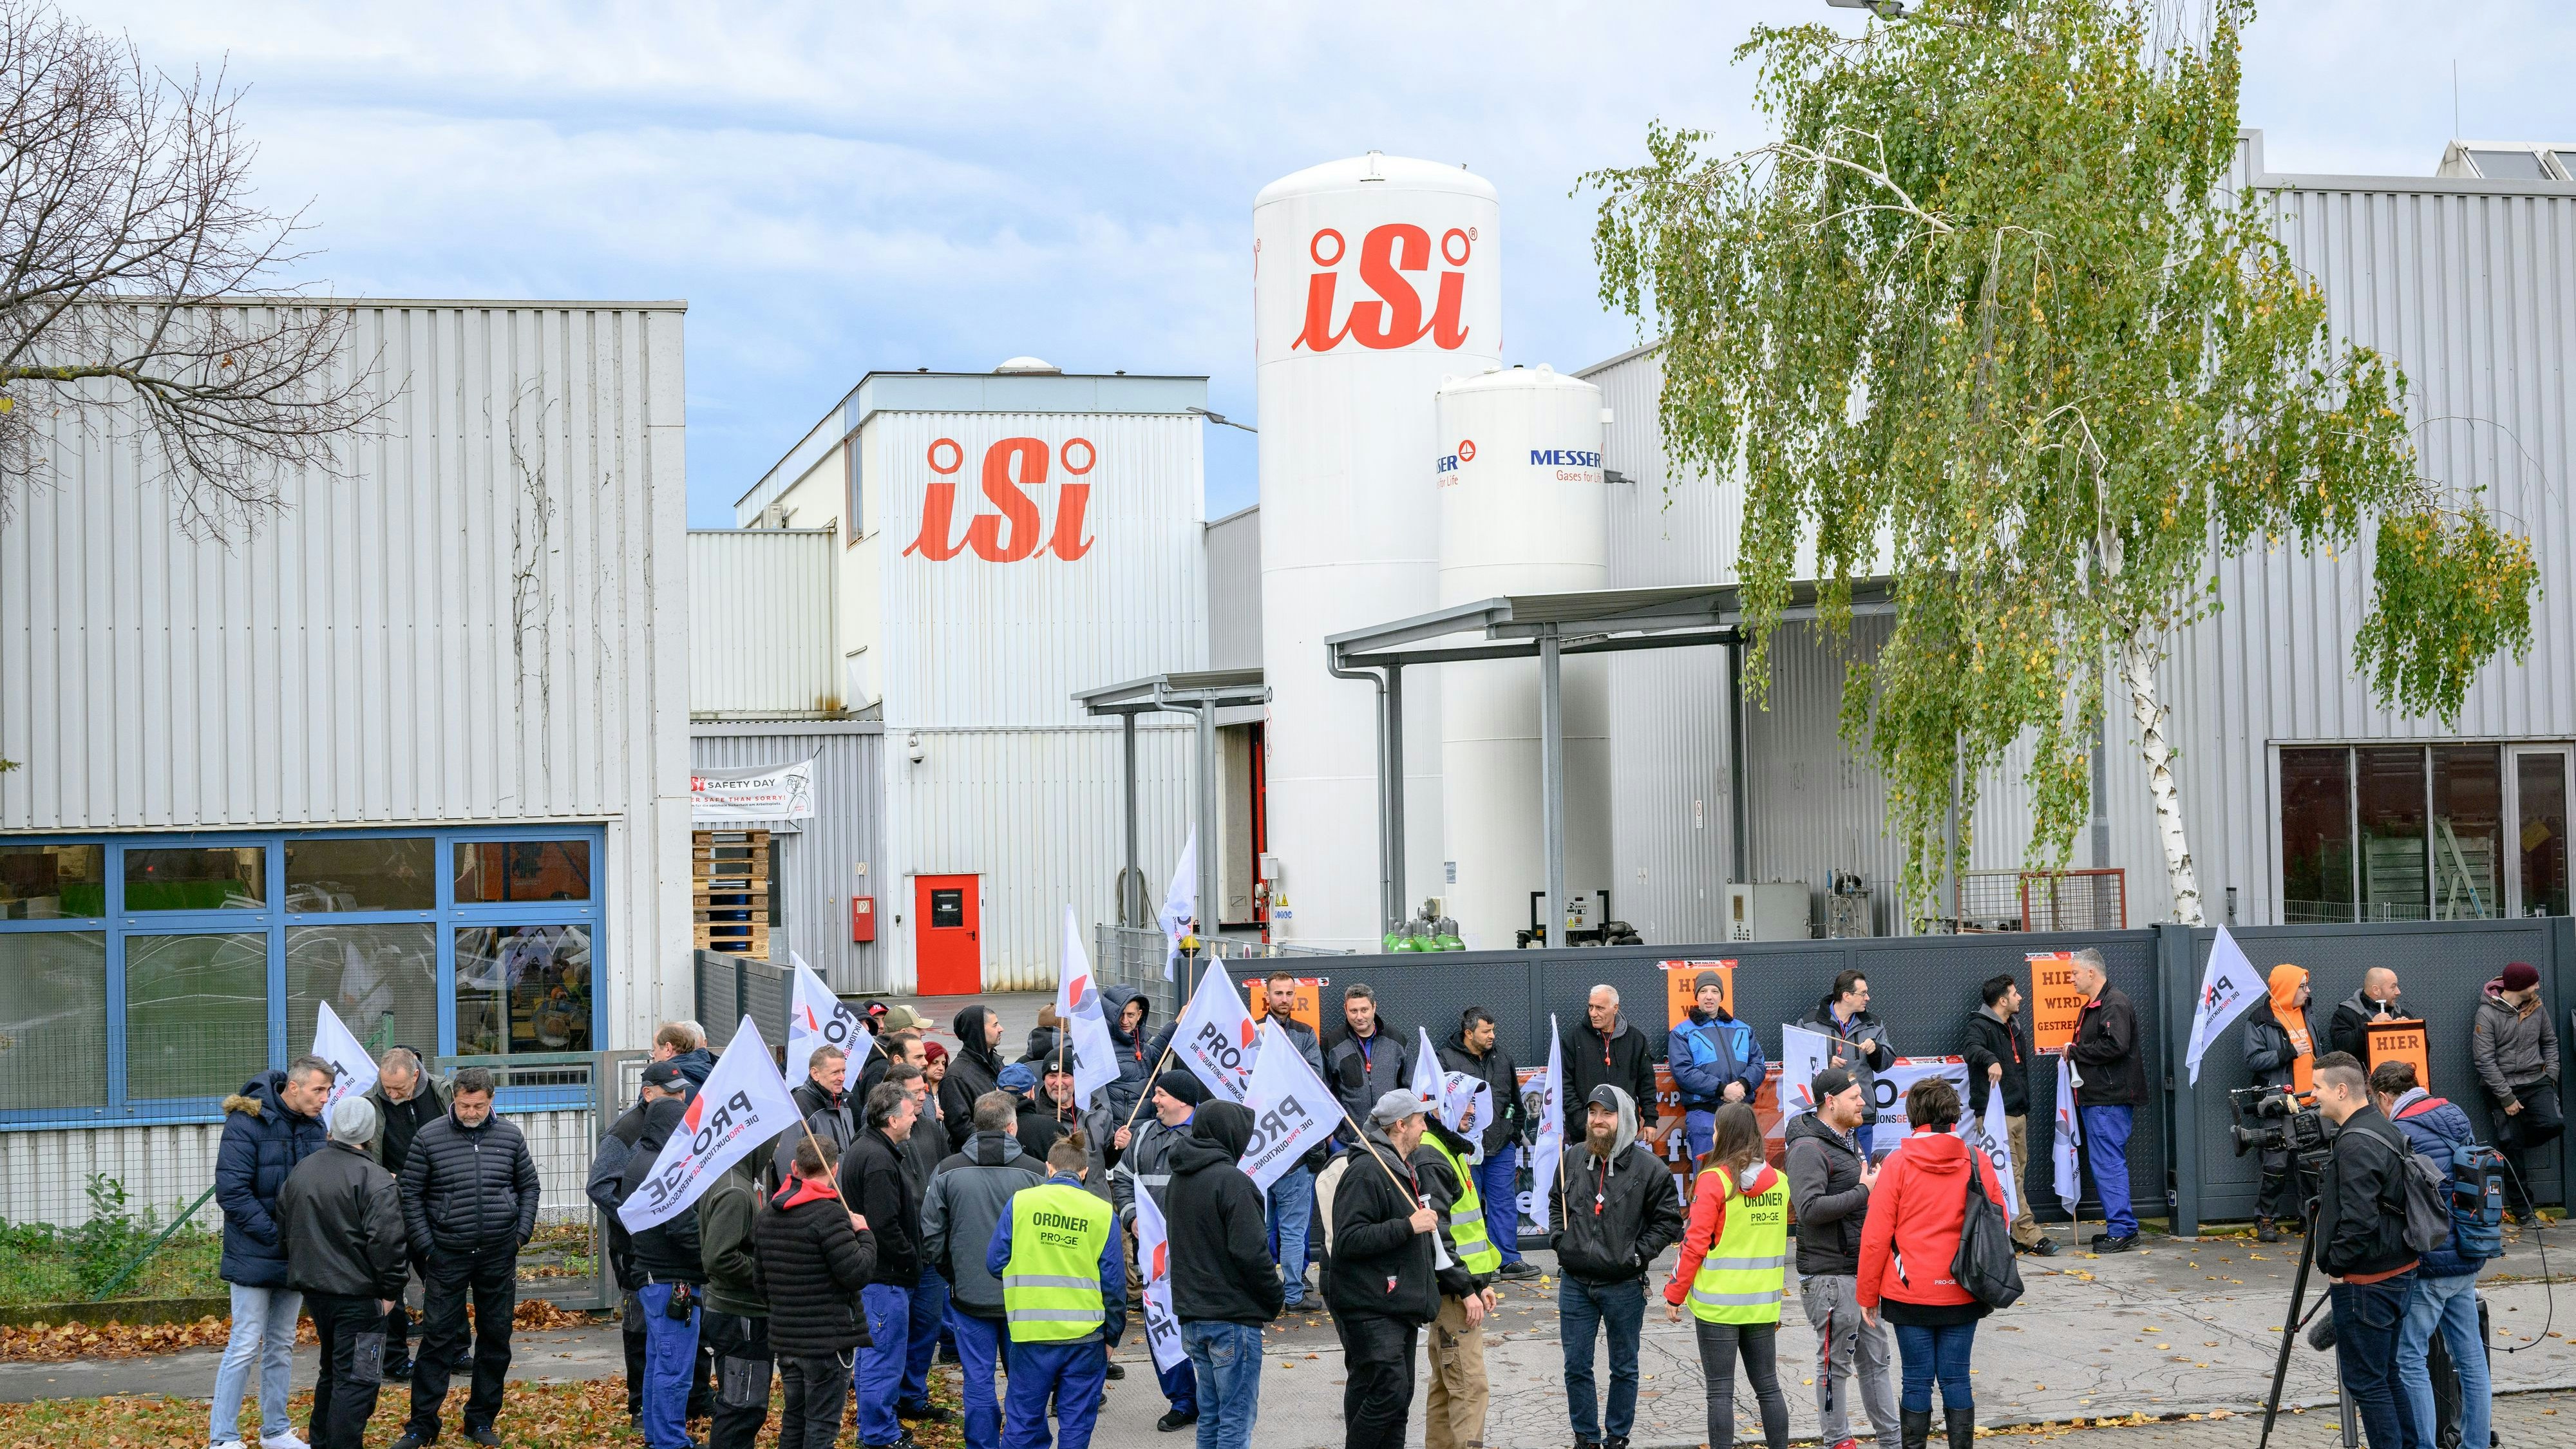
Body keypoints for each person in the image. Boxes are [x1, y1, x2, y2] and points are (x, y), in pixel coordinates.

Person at [394, 1066, 542, 1449]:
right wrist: (427, 1246)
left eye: (478, 1105)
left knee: (495, 1339)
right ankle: (422, 1425)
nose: (471, 1112)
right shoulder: (429, 1137)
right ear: (454, 1099)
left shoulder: (510, 1136)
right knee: (438, 1340)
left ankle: (480, 1420)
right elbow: (410, 1194)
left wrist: (520, 1235)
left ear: (491, 1100)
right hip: (446, 1254)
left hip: (497, 1254)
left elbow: (528, 1185)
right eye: (464, 1105)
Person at [1857, 1078, 2010, 1449]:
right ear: (1955, 1116)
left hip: (1910, 1292)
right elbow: (2000, 1221)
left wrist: (1867, 1295)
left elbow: (1876, 1236)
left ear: (1913, 1117)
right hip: (1965, 1287)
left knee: (1915, 1381)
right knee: (1958, 1380)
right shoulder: (1977, 1160)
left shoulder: (1897, 1164)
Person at [211, 1055, 332, 1449]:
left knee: (281, 1345)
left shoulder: (316, 1125)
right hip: (254, 1253)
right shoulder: (246, 1122)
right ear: (293, 1088)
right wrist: (277, 1238)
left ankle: (276, 1431)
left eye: (328, 1091)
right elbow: (232, 1193)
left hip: (295, 1256)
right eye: (319, 1090)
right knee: (245, 1343)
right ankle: (223, 1437)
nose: (325, 1099)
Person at [1553, 1084, 1683, 1449]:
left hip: (1624, 1285)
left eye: (1606, 1114)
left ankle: (1617, 1437)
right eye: (1593, 1113)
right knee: (1576, 1366)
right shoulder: (1572, 1158)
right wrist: (1560, 1243)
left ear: (1623, 1118)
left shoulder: (1650, 1169)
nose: (1597, 1121)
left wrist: (1637, 1256)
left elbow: (1668, 1222)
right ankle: (1586, 1439)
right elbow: (1554, 1202)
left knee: (1623, 1368)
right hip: (1576, 1283)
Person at [278, 1096, 408, 1449]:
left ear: (333, 1129)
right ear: (372, 1133)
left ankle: (322, 1441)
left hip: (316, 1291)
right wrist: (390, 1292)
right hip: (361, 1298)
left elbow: (285, 1228)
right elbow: (389, 1244)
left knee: (333, 1371)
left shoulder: (302, 1171)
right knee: (360, 1379)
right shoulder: (376, 1179)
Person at [2376, 1059, 2494, 1449]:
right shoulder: (2455, 1115)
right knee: (2471, 1359)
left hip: (2429, 1261)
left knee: (2410, 1359)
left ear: (2382, 1096)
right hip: (2467, 1250)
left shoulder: (2399, 1131)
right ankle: (2476, 1444)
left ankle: (2424, 1445)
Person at [923, 1090, 1046, 1449]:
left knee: (977, 1380)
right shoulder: (1037, 1172)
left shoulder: (947, 1170)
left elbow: (931, 1231)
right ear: (1013, 1126)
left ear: (977, 1125)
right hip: (1022, 1298)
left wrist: (953, 1273)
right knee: (1025, 1381)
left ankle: (983, 1444)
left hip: (969, 1295)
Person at [987, 1135, 1128, 1449]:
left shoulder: (1021, 1202)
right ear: (1084, 1173)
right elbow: (1114, 1286)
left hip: (1032, 1334)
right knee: (1076, 1423)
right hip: (1086, 1338)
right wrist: (1112, 1337)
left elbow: (995, 1263)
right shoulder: (1102, 1212)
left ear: (1048, 1168)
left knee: (1024, 1421)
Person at [1325, 1090, 1446, 1449]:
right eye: (1420, 1121)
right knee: (1389, 1391)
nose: (1425, 1128)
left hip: (1397, 1304)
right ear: (1400, 1125)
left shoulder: (1399, 1166)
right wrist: (1409, 1226)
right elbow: (1349, 1239)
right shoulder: (1366, 1169)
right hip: (1371, 1304)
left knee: (1394, 1399)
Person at [1666, 1101, 1790, 1449]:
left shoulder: (1714, 1181)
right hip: (1763, 1305)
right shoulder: (1780, 1183)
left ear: (1724, 1134)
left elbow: (1694, 1244)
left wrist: (1675, 1293)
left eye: (1717, 1129)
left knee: (1719, 1391)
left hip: (1718, 1306)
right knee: (1768, 1386)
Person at [1788, 1069, 1900, 1449]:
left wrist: (1870, 1183)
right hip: (1830, 1278)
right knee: (1834, 1366)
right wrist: (1863, 1190)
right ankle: (1837, 1441)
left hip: (1860, 1274)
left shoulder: (1845, 1142)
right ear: (1830, 1101)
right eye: (1855, 1097)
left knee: (1876, 1361)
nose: (1863, 1103)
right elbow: (1809, 1210)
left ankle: (1892, 1440)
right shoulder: (1807, 1148)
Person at [2313, 1050, 2420, 1449]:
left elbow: (2359, 1221)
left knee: (2368, 1384)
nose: (2312, 1095)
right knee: (2387, 1375)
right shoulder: (2382, 1126)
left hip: (2368, 1282)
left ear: (2342, 1090)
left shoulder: (2356, 1142)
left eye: (2318, 1087)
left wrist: (2337, 1265)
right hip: (2397, 1271)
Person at [1168, 1100, 1281, 1449]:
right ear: (1231, 1135)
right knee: (1235, 1420)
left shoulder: (1179, 1179)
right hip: (1232, 1317)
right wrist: (1275, 1296)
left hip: (1193, 1314)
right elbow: (1252, 1254)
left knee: (1212, 1416)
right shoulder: (1233, 1182)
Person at [755, 1135, 878, 1449]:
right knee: (821, 1427)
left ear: (795, 1167)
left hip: (788, 1340)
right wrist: (864, 1234)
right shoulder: (830, 1215)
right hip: (828, 1342)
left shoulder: (768, 1216)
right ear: (834, 1170)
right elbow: (857, 1273)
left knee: (794, 1421)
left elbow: (761, 1282)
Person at [591, 1061, 688, 1427]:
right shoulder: (624, 1132)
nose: (681, 1097)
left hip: (672, 1245)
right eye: (673, 1092)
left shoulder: (682, 1127)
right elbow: (599, 1186)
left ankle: (678, 1403)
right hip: (632, 1248)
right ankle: (639, 1406)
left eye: (682, 1091)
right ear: (648, 1093)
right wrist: (639, 1221)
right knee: (639, 1327)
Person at [1113, 1071, 1207, 1434]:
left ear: (1183, 1101)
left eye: (1162, 1094)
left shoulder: (1204, 1137)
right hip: (1153, 1257)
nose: (1154, 1100)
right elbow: (1122, 1180)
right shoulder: (1143, 1136)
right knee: (1161, 1326)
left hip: (1196, 1254)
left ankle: (1209, 1398)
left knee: (1200, 1328)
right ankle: (1182, 1401)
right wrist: (1132, 1216)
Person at [619, 1092, 708, 1449]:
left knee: (659, 1364)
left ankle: (659, 1436)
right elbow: (683, 1228)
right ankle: (670, 1441)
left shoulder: (639, 1158)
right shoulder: (666, 1166)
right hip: (673, 1281)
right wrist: (714, 1260)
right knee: (674, 1371)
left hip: (653, 1279)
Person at [1412, 1098, 1499, 1449]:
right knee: (1469, 1387)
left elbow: (1465, 1232)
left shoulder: (1448, 1149)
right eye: (1464, 1105)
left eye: (1473, 1105)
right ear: (1439, 1110)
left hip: (1457, 1290)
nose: (1471, 1113)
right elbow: (1440, 1238)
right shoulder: (1435, 1155)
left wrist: (1480, 1284)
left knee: (1446, 1384)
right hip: (1453, 1294)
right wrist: (1466, 1290)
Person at [843, 1081, 925, 1449]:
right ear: (892, 1120)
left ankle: (877, 1425)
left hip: (878, 1277)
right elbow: (884, 1226)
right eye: (910, 1113)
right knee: (883, 1359)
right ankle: (878, 1435)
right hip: (885, 1279)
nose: (915, 1117)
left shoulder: (871, 1149)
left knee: (873, 1357)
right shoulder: (877, 1160)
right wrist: (913, 1258)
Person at [364, 1046, 449, 1381]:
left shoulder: (444, 1093)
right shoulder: (370, 1101)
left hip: (437, 1206)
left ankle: (454, 1351)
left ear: (416, 1075)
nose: (390, 1093)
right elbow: (365, 1154)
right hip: (391, 1206)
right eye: (386, 1086)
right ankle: (395, 1359)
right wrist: (386, 1178)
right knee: (390, 1285)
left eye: (398, 1088)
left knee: (443, 1280)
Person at [882, 1057, 956, 1430]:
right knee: (893, 1335)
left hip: (930, 1251)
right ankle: (887, 1403)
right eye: (916, 1095)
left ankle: (913, 1396)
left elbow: (943, 1177)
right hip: (898, 1255)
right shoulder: (880, 1142)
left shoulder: (930, 1129)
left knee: (926, 1328)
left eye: (924, 1092)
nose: (923, 1099)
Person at [1438, 1006, 1537, 1280]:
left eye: (1493, 1030)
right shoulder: (1445, 1059)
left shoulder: (1503, 1058)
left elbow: (1516, 1101)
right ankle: (1475, 1265)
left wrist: (1513, 1136)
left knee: (1504, 1203)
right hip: (1464, 1148)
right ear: (1469, 1033)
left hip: (1501, 1146)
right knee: (1467, 1206)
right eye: (1486, 1031)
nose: (1492, 1035)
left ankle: (1508, 1261)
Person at [2063, 948, 2146, 1252]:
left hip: (2108, 1100)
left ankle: (2122, 1229)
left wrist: (2074, 1051)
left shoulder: (2114, 1003)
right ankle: (2121, 1226)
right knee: (2106, 1162)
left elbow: (2115, 1045)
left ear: (2091, 973)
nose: (2070, 978)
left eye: (2074, 973)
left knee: (2109, 1163)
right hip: (2100, 1098)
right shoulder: (2102, 1004)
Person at [1258, 971, 1329, 1309]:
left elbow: (1314, 1079)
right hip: (1260, 1144)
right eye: (1278, 993)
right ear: (1266, 997)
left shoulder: (1305, 1033)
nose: (1284, 999)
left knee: (1291, 1230)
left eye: (1289, 993)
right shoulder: (1252, 1029)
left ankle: (1291, 1293)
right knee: (1264, 1229)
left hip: (1297, 1148)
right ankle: (1276, 1293)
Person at [2470, 960, 2561, 1223]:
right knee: (2512, 1147)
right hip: (2502, 1086)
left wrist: (2551, 1076)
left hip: (2536, 1081)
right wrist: (2507, 1098)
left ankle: (2519, 1138)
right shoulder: (2486, 1014)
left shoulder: (2537, 1007)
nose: (2538, 986)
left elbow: (2550, 1042)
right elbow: (2484, 1060)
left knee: (2553, 1123)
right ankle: (2524, 1211)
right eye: (2534, 983)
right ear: (2521, 986)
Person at [699, 1153, 772, 1449]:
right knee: (742, 1406)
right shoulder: (736, 1192)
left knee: (742, 1403)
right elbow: (718, 1258)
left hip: (737, 1312)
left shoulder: (732, 1181)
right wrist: (765, 1273)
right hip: (740, 1315)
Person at [2244, 964, 2318, 1242]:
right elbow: (2252, 1059)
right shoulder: (2260, 1020)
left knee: (2310, 1165)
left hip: (2310, 1103)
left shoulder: (2307, 1012)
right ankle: (2265, 1220)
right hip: (2279, 1104)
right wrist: (2287, 1052)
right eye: (2302, 986)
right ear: (2287, 988)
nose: (2308, 991)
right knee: (2275, 1165)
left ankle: (2310, 1219)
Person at [1669, 970, 1765, 1165]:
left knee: (1745, 1173)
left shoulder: (1744, 1029)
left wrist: (1743, 1085)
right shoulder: (1681, 1032)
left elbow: (1758, 1064)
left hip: (1741, 1113)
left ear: (1722, 996)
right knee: (1707, 1176)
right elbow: (1683, 1072)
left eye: (1714, 991)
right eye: (1703, 991)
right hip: (1705, 1115)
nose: (1709, 996)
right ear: (1696, 996)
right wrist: (1722, 1089)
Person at [1799, 971, 1896, 1158]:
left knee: (1861, 1173)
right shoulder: (1809, 1023)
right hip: (1824, 1114)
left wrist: (1876, 1050)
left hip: (1861, 1114)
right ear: (1846, 996)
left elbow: (1887, 1061)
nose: (1868, 998)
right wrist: (1825, 1062)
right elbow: (1797, 1061)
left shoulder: (1873, 1025)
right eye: (1863, 993)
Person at [1561, 985, 1659, 1145]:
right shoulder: (1573, 1039)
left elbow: (1646, 1083)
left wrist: (1650, 1120)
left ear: (1615, 1008)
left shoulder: (1636, 1039)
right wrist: (1582, 1119)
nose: (1593, 1013)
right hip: (1585, 1133)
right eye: (1591, 1007)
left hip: (1624, 1131)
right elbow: (1565, 1085)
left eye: (1600, 1008)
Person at [1327, 983, 1412, 1133]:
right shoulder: (1332, 1043)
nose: (1359, 1017)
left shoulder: (1396, 1040)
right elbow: (1324, 1093)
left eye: (1364, 1010)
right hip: (1348, 1140)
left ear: (1374, 1007)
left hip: (1390, 1136)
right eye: (1353, 1011)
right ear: (1345, 1010)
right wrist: (1332, 1139)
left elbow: (1410, 1088)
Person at [772, 1041, 856, 1191]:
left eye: (843, 1071)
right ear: (815, 1074)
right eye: (835, 1072)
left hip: (842, 1199)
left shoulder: (844, 1106)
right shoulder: (799, 1107)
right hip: (814, 1202)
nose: (842, 1077)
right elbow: (788, 1162)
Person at [946, 1005, 1010, 1153]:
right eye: (995, 1025)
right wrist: (995, 1142)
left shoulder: (997, 1063)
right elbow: (960, 1127)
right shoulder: (956, 1076)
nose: (1001, 1029)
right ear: (978, 1031)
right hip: (978, 1156)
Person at [1102, 985, 1158, 1124]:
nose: (1125, 1021)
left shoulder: (1140, 1041)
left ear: (1139, 1015)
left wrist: (1176, 1023)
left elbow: (1157, 1054)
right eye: (1120, 1015)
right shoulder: (1103, 1048)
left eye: (1130, 1015)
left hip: (1146, 1130)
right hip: (1121, 1134)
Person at [2331, 969, 2412, 1062]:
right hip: (2363, 1075)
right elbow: (2341, 1047)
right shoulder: (2345, 1014)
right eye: (2393, 987)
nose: (2398, 992)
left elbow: (2423, 1050)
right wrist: (2369, 1027)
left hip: (2398, 1075)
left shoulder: (2402, 1014)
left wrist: (2410, 1030)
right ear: (2376, 990)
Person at [653, 1020, 714, 1088]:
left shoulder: (660, 1082)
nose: (653, 1055)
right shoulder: (716, 1072)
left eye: (655, 1048)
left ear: (668, 1049)